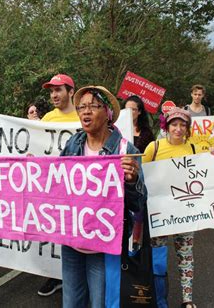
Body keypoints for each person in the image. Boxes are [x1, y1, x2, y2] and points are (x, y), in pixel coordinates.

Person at [59, 85, 145, 307]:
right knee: (71, 302)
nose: (85, 112)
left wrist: (133, 181)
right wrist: (35, 170)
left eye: (93, 106)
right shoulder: (73, 143)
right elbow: (57, 183)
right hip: (72, 242)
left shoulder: (126, 150)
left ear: (107, 113)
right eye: (82, 107)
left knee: (102, 302)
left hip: (103, 244)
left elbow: (139, 203)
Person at [142, 107, 201, 308]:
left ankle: (187, 300)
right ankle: (159, 300)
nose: (178, 129)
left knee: (186, 257)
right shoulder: (154, 147)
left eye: (182, 125)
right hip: (160, 214)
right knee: (158, 258)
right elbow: (141, 176)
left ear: (187, 128)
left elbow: (207, 174)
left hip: (185, 214)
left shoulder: (194, 148)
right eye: (174, 124)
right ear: (166, 127)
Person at [36, 73, 79, 297]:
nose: (54, 95)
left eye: (59, 90)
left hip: (79, 185)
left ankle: (76, 278)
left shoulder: (83, 115)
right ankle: (55, 275)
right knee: (56, 228)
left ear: (71, 92)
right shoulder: (48, 119)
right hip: (54, 185)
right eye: (51, 91)